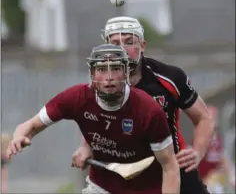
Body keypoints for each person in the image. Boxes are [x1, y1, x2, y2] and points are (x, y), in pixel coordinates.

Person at [6, 44, 180, 194]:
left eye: (116, 69)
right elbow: (29, 125)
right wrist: (20, 136)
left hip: (147, 190)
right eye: (102, 69)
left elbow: (170, 166)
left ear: (126, 72)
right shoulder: (77, 98)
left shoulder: (147, 109)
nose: (109, 77)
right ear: (92, 74)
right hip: (102, 187)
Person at [72, 16, 215, 194]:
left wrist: (198, 152)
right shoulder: (101, 83)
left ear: (143, 46)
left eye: (129, 41)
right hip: (128, 175)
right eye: (115, 43)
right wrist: (86, 146)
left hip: (172, 167)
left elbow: (204, 118)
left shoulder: (169, 78)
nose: (122, 48)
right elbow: (94, 121)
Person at [193, 105, 235, 193]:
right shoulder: (199, 140)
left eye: (215, 118)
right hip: (205, 181)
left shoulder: (217, 140)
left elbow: (222, 159)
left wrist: (231, 176)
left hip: (215, 178)